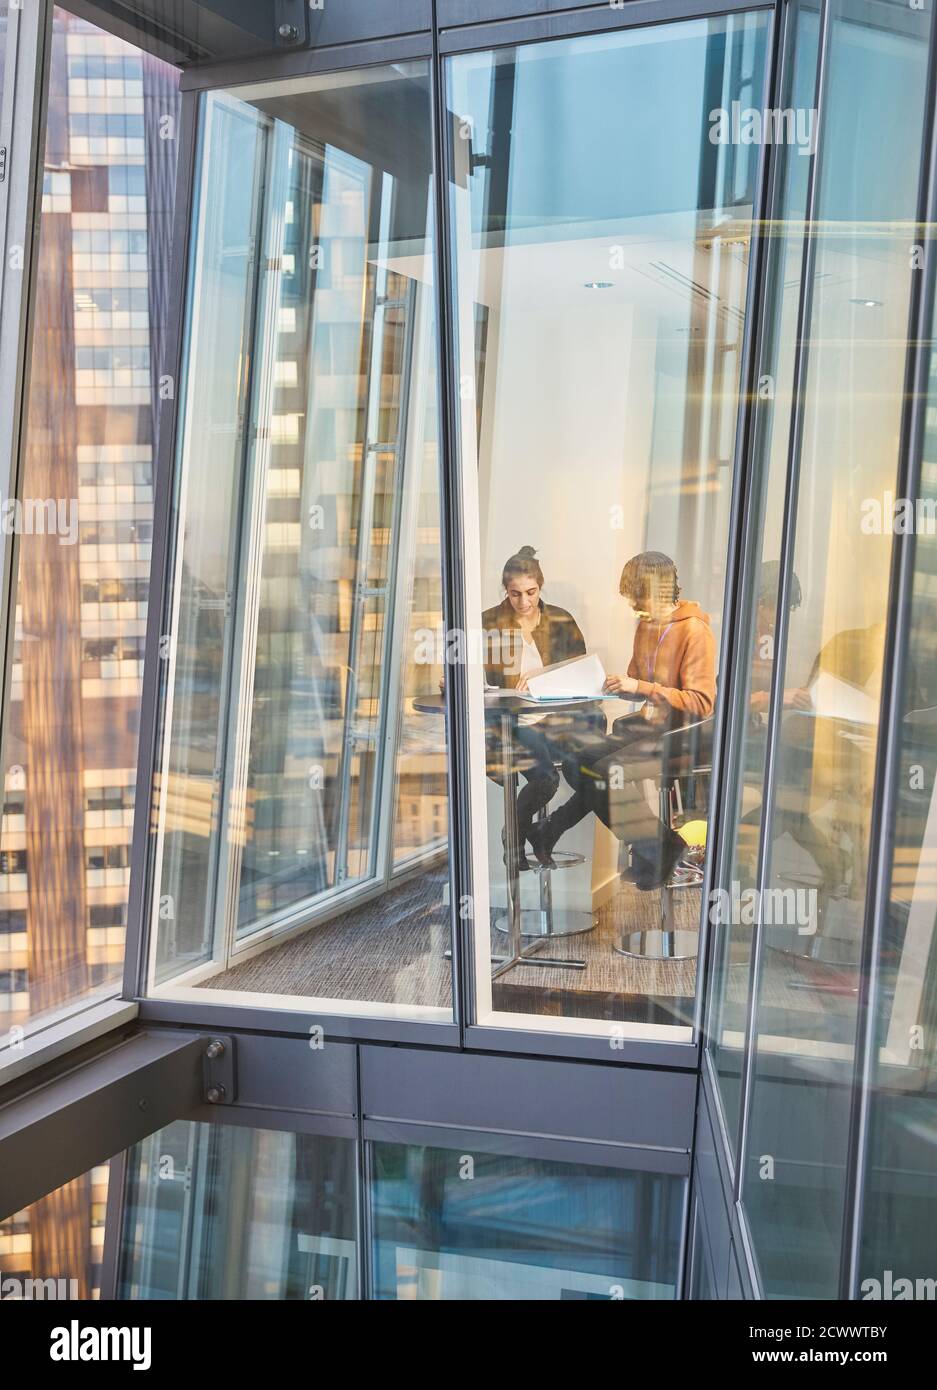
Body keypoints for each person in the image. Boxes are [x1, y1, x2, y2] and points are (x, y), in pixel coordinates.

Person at [528, 551, 716, 886]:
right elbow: (640, 685)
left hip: (684, 734)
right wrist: (621, 688)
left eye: (637, 597)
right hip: (648, 728)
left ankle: (659, 846)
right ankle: (658, 845)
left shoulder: (694, 631)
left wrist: (641, 687)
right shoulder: (646, 626)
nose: (632, 606)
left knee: (605, 771)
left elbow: (701, 704)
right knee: (578, 761)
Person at [482, 545, 597, 872]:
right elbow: (468, 672)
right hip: (514, 722)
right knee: (546, 780)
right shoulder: (488, 623)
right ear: (506, 590)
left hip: (560, 720)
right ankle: (515, 837)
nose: (523, 602)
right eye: (514, 594)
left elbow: (583, 672)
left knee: (597, 775)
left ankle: (547, 831)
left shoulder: (561, 620)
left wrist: (544, 676)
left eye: (531, 592)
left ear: (540, 586)